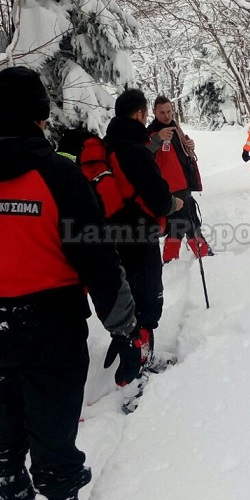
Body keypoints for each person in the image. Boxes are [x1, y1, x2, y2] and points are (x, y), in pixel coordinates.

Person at [0, 66, 139, 500]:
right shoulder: (59, 176)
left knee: (2, 438)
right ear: (40, 115)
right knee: (54, 451)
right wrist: (125, 329)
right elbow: (100, 262)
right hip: (50, 334)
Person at [104, 88, 184, 366]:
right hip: (140, 231)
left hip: (112, 231)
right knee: (147, 292)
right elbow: (159, 198)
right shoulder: (135, 151)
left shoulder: (107, 146)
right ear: (139, 114)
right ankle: (142, 356)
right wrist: (174, 204)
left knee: (128, 289)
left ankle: (129, 345)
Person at [147, 95, 212, 263]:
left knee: (179, 223)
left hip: (184, 183)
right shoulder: (152, 132)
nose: (166, 115)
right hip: (170, 186)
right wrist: (157, 139)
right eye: (162, 112)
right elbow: (145, 152)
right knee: (189, 220)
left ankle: (171, 258)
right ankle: (203, 253)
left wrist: (190, 145)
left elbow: (181, 152)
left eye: (169, 111)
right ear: (154, 112)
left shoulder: (175, 127)